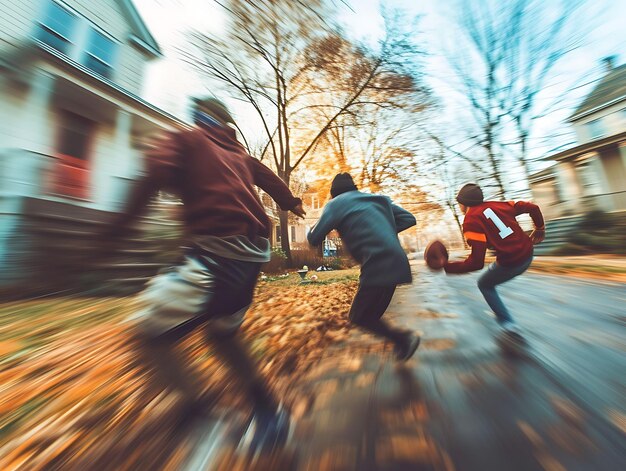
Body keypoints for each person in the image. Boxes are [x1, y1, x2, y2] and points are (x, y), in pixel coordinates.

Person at [103, 97, 306, 451]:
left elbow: (153, 172)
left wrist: (115, 231)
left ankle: (202, 416)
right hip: (252, 256)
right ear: (227, 126)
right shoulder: (242, 157)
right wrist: (293, 203)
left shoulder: (188, 139)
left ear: (201, 119)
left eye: (195, 117)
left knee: (148, 329)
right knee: (223, 334)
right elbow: (271, 180)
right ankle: (269, 413)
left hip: (215, 253)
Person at [307, 173, 420, 361]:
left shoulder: (335, 204)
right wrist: (382, 228)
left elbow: (314, 237)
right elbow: (409, 218)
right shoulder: (378, 200)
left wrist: (315, 225)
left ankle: (404, 339)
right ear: (354, 187)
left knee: (359, 317)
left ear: (334, 193)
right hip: (397, 262)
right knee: (371, 316)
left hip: (376, 264)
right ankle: (401, 344)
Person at [442, 183, 545, 336]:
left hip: (512, 262)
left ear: (463, 203)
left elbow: (477, 263)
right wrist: (540, 228)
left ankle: (508, 324)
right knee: (493, 271)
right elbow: (533, 208)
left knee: (484, 284)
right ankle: (507, 323)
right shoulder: (500, 205)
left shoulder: (470, 221)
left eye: (459, 203)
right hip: (528, 252)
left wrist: (448, 267)